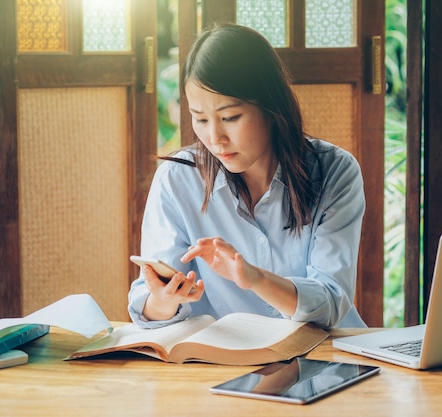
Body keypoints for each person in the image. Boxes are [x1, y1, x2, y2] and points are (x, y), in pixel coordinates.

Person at [128, 23, 366, 329]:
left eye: (230, 117)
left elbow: (332, 301)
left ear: (270, 105)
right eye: (199, 118)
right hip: (226, 364)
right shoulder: (177, 180)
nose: (214, 137)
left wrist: (254, 278)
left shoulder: (334, 171)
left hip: (326, 358)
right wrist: (164, 300)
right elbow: (147, 308)